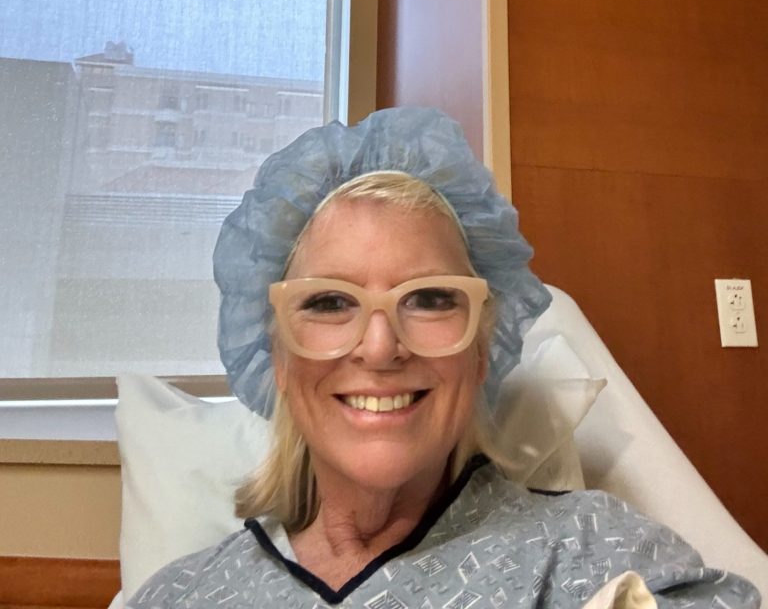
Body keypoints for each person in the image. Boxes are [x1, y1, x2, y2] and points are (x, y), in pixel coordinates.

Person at [126, 107, 761, 609]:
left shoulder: (593, 551)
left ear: (482, 349)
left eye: (429, 299)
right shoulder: (180, 595)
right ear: (279, 356)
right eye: (328, 302)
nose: (380, 347)